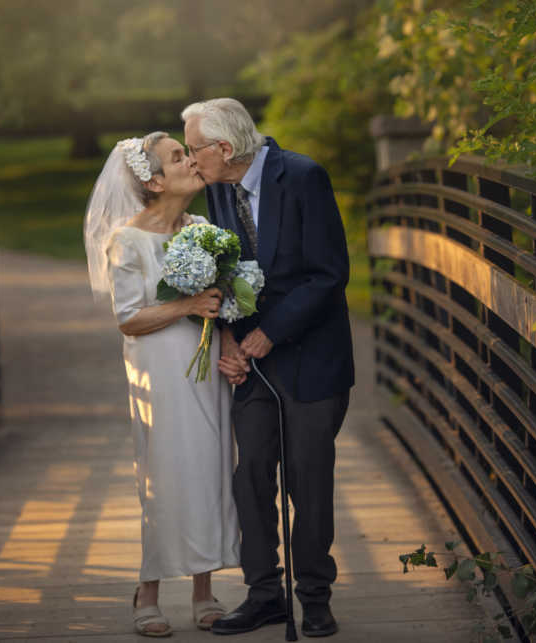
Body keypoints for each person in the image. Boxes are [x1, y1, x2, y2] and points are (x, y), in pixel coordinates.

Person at [181, 98, 354, 637]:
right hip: (253, 364)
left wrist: (269, 334)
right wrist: (231, 340)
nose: (190, 161)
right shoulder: (216, 188)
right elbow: (226, 268)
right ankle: (264, 594)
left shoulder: (302, 177)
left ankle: (314, 596)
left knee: (309, 480)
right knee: (251, 475)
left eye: (193, 150)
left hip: (312, 359)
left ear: (224, 149)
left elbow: (330, 274)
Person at [83, 132, 241, 637]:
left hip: (204, 366)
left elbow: (220, 298)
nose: (191, 160)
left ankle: (203, 590)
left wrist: (231, 343)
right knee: (164, 475)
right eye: (178, 157)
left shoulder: (200, 227)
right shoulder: (127, 240)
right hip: (158, 369)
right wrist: (186, 307)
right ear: (153, 180)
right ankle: (147, 590)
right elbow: (128, 318)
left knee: (211, 468)